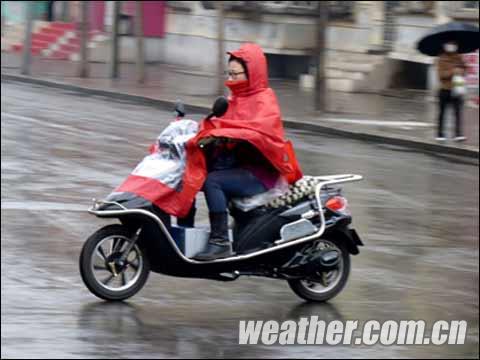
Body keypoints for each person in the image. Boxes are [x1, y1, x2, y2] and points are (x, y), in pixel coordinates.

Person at [188, 43, 302, 261]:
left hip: (260, 172)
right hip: (238, 166)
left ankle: (220, 241)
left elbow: (260, 130)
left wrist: (230, 134)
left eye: (235, 74)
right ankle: (186, 233)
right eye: (228, 74)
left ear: (252, 73)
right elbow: (222, 123)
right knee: (195, 174)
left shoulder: (264, 100)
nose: (230, 79)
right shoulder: (235, 100)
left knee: (213, 181)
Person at [436, 41, 468, 141]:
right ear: (444, 46)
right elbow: (441, 76)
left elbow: (464, 69)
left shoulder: (459, 57)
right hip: (445, 90)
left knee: (458, 113)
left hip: (457, 89)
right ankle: (440, 134)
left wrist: (461, 70)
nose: (451, 46)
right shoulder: (441, 58)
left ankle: (458, 134)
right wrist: (452, 71)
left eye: (453, 44)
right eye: (449, 44)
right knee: (442, 113)